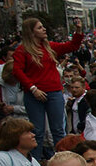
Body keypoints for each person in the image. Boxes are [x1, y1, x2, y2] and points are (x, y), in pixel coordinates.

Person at [12, 17, 84, 158]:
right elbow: (17, 71)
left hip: (54, 92)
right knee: (37, 131)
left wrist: (78, 30)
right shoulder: (22, 51)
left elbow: (72, 46)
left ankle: (62, 158)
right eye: (39, 27)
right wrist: (33, 88)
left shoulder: (49, 47)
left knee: (58, 129)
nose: (44, 29)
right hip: (34, 94)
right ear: (31, 32)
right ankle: (35, 162)